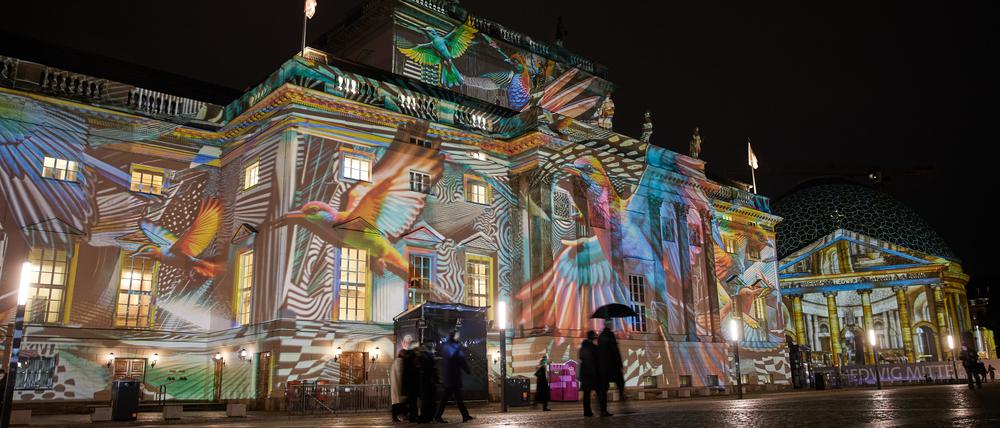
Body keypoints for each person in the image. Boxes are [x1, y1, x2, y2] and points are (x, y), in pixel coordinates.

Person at [434, 331, 473, 423]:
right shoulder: (454, 347)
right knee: (450, 399)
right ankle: (437, 416)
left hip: (449, 376)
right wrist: (467, 369)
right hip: (453, 377)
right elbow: (461, 360)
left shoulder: (447, 346)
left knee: (455, 398)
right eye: (457, 336)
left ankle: (465, 415)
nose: (458, 337)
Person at [579, 330, 609, 417]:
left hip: (585, 375)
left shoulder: (583, 348)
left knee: (587, 395)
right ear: (592, 337)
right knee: (600, 393)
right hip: (593, 375)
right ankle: (602, 410)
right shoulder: (593, 347)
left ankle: (587, 412)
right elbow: (596, 361)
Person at [598, 320, 625, 405]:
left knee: (604, 387)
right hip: (612, 365)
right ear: (609, 325)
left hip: (603, 365)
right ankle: (623, 404)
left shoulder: (601, 335)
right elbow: (614, 351)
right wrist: (620, 364)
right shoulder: (610, 335)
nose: (612, 325)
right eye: (611, 324)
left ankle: (602, 407)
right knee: (620, 383)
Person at [417, 342, 439, 424]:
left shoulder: (424, 356)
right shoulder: (426, 356)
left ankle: (427, 417)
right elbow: (430, 369)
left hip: (427, 382)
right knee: (428, 400)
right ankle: (427, 417)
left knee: (427, 400)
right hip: (428, 382)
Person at [402, 345, 420, 422]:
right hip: (413, 384)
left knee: (412, 401)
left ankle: (412, 416)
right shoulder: (412, 358)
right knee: (413, 402)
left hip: (410, 384)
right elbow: (415, 371)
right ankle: (413, 416)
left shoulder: (408, 358)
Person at [390, 349, 407, 422]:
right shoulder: (400, 361)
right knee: (398, 402)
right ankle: (397, 416)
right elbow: (400, 374)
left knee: (395, 402)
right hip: (398, 385)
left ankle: (395, 417)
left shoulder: (395, 361)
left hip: (395, 384)